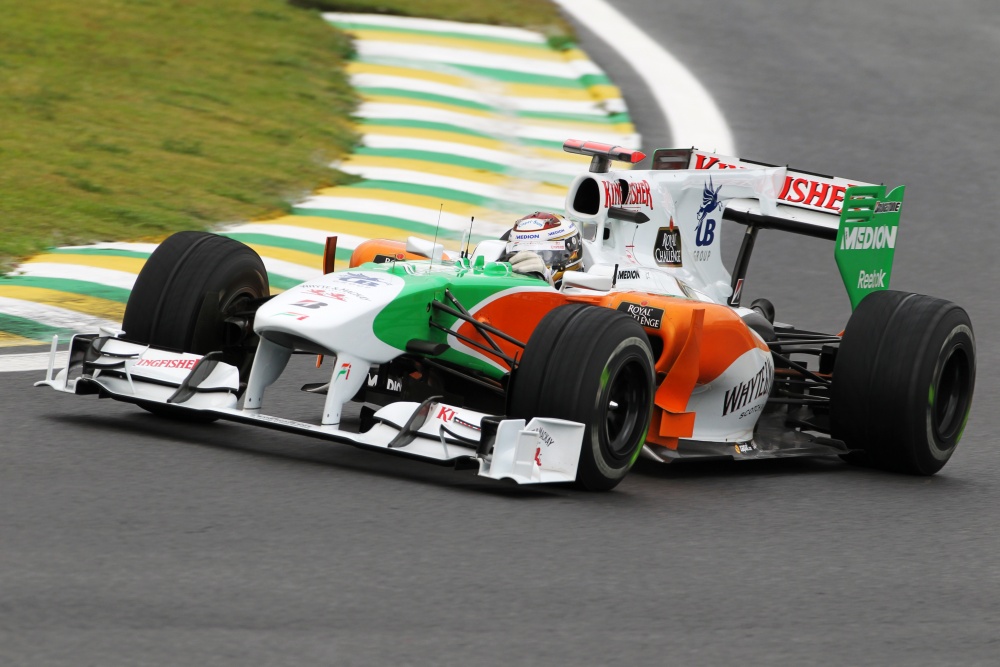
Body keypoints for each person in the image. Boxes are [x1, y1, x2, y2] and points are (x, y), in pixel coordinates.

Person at [500, 212, 584, 286]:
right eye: (517, 252)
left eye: (545, 254)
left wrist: (546, 278)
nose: (528, 266)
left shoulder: (587, 292)